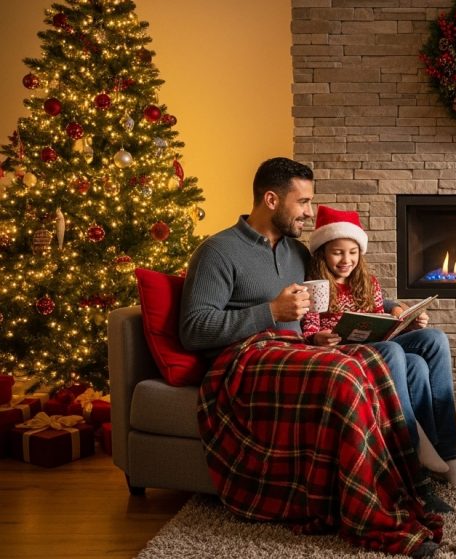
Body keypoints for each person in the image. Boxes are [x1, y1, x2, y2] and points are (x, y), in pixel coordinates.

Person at [179, 157, 441, 557]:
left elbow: (344, 290)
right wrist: (270, 312)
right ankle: (371, 510)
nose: (309, 212)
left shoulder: (297, 253)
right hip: (245, 359)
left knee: (373, 359)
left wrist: (390, 309)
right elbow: (194, 329)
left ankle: (407, 478)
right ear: (271, 199)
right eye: (302, 203)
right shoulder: (218, 251)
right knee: (348, 372)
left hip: (299, 350)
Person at [302, 205, 456, 493]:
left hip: (377, 343)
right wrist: (318, 337)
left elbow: (382, 321)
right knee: (399, 356)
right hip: (344, 352)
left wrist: (408, 320)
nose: (346, 260)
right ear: (322, 252)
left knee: (434, 338)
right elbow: (308, 326)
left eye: (352, 252)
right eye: (337, 252)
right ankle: (413, 447)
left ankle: (448, 455)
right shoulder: (316, 286)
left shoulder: (368, 283)